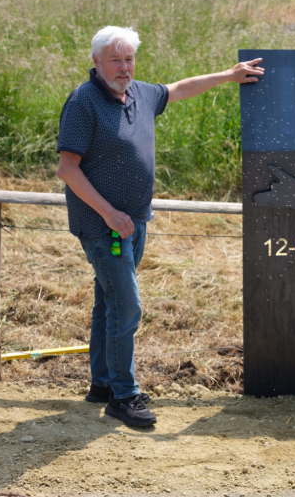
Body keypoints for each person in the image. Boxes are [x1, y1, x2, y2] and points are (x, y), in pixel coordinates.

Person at [56, 26, 263, 427]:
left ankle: (102, 384)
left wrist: (228, 75)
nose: (124, 67)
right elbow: (68, 169)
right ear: (96, 60)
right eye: (115, 59)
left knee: (109, 302)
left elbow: (180, 88)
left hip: (133, 221)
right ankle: (124, 395)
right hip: (104, 226)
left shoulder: (141, 93)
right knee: (127, 305)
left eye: (129, 58)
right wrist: (108, 213)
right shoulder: (83, 102)